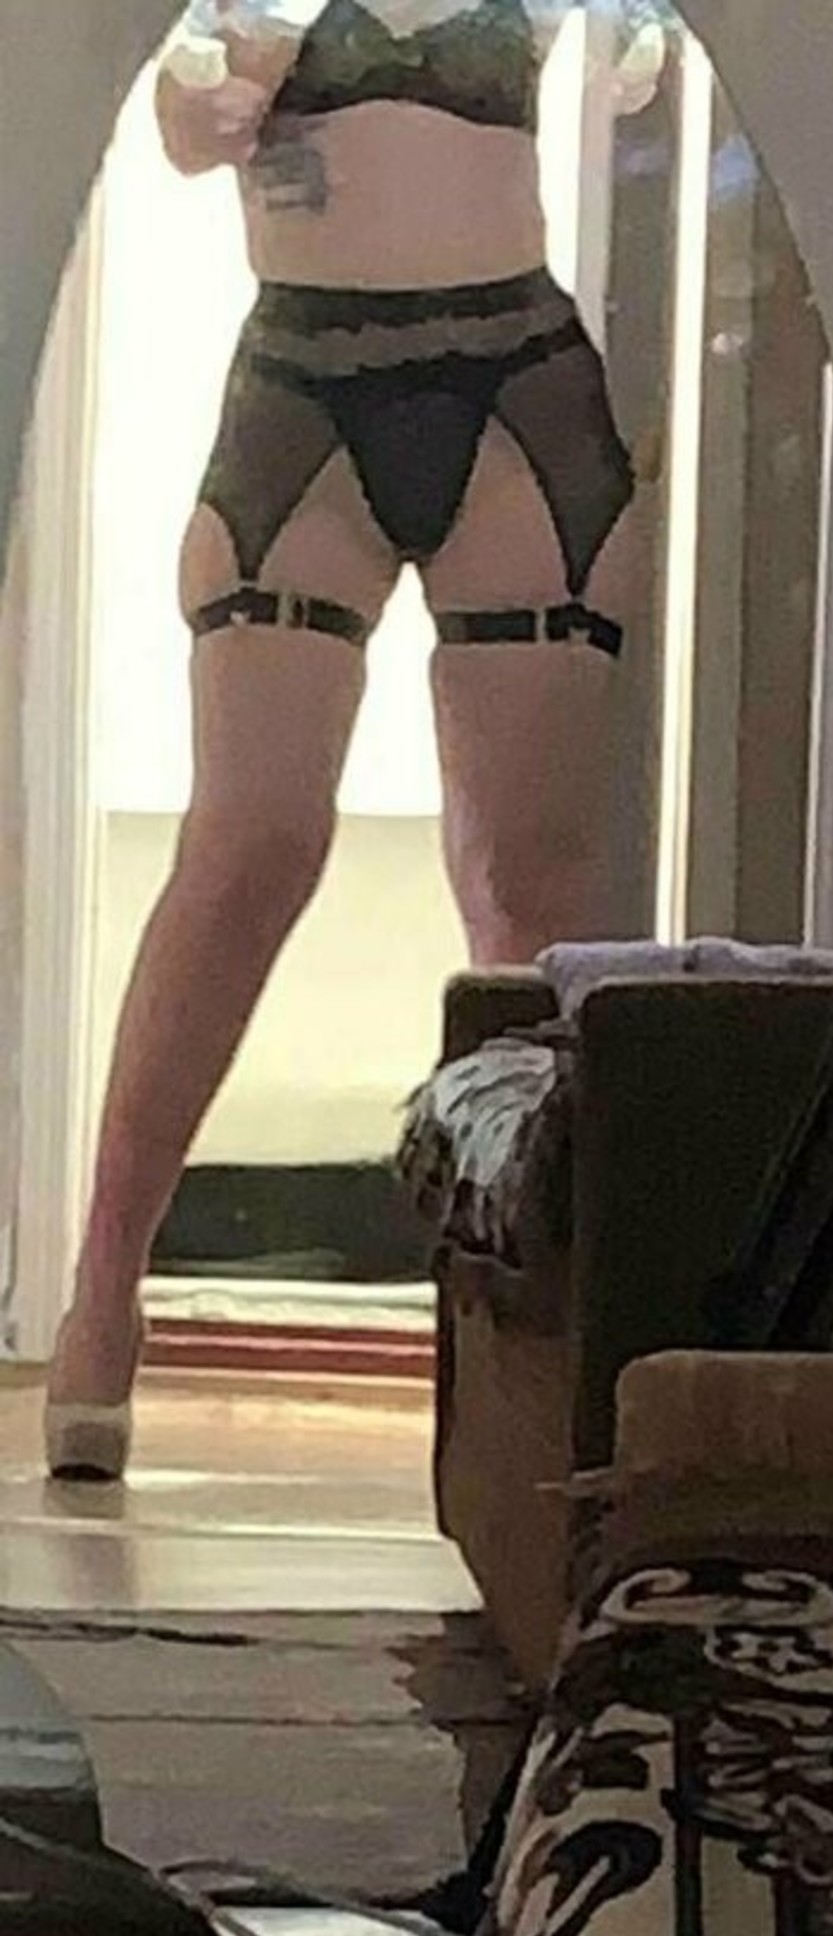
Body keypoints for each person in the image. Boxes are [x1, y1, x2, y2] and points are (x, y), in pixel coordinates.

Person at [44, 0, 662, 1482]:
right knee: (251, 840)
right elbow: (182, 120)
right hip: (302, 389)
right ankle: (104, 1282)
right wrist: (217, 86)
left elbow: (644, 65)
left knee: (527, 884)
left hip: (518, 387)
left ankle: (531, 1335)